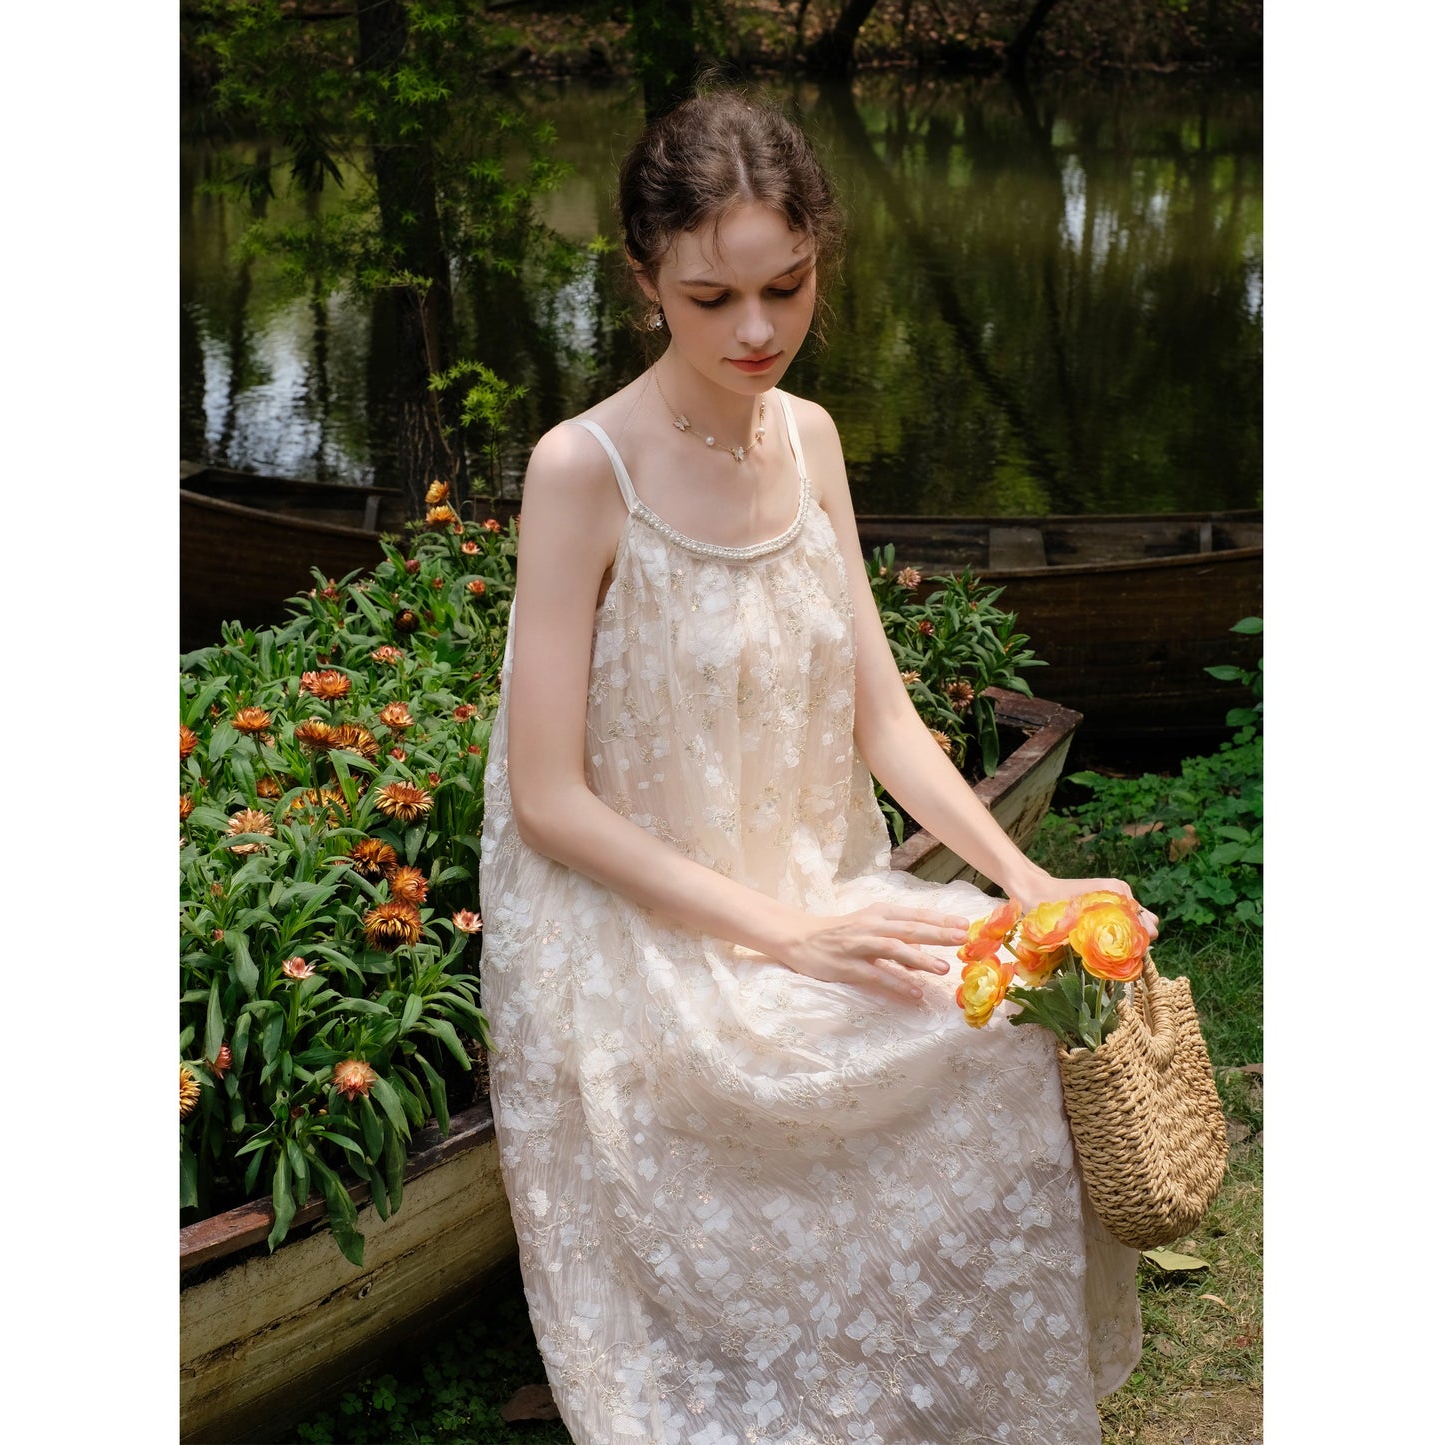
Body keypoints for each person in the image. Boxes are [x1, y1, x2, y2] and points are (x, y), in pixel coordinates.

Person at [480, 86, 1145, 1445]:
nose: (757, 330)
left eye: (786, 286)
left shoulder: (813, 437)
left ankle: (939, 1399)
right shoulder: (580, 469)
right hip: (642, 939)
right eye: (711, 297)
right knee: (930, 1039)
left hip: (807, 887)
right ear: (643, 280)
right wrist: (788, 939)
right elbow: (546, 801)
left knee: (1010, 1018)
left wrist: (1024, 880)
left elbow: (880, 719)